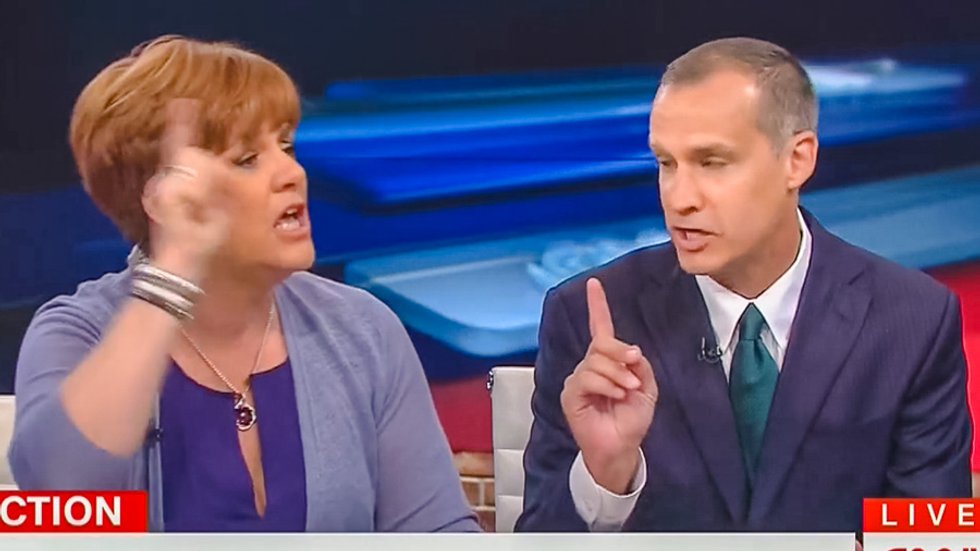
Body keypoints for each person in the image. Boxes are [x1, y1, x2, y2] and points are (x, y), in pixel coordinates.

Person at [8, 35, 479, 533]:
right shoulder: (76, 333)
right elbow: (62, 503)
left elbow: (435, 531)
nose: (292, 173)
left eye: (286, 146)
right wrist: (173, 270)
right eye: (247, 159)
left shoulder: (361, 330)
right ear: (162, 198)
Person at [517, 37, 971, 533]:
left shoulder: (911, 321)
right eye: (666, 163)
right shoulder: (589, 319)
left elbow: (929, 537)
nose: (680, 199)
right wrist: (605, 475)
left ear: (797, 160)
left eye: (712, 162)